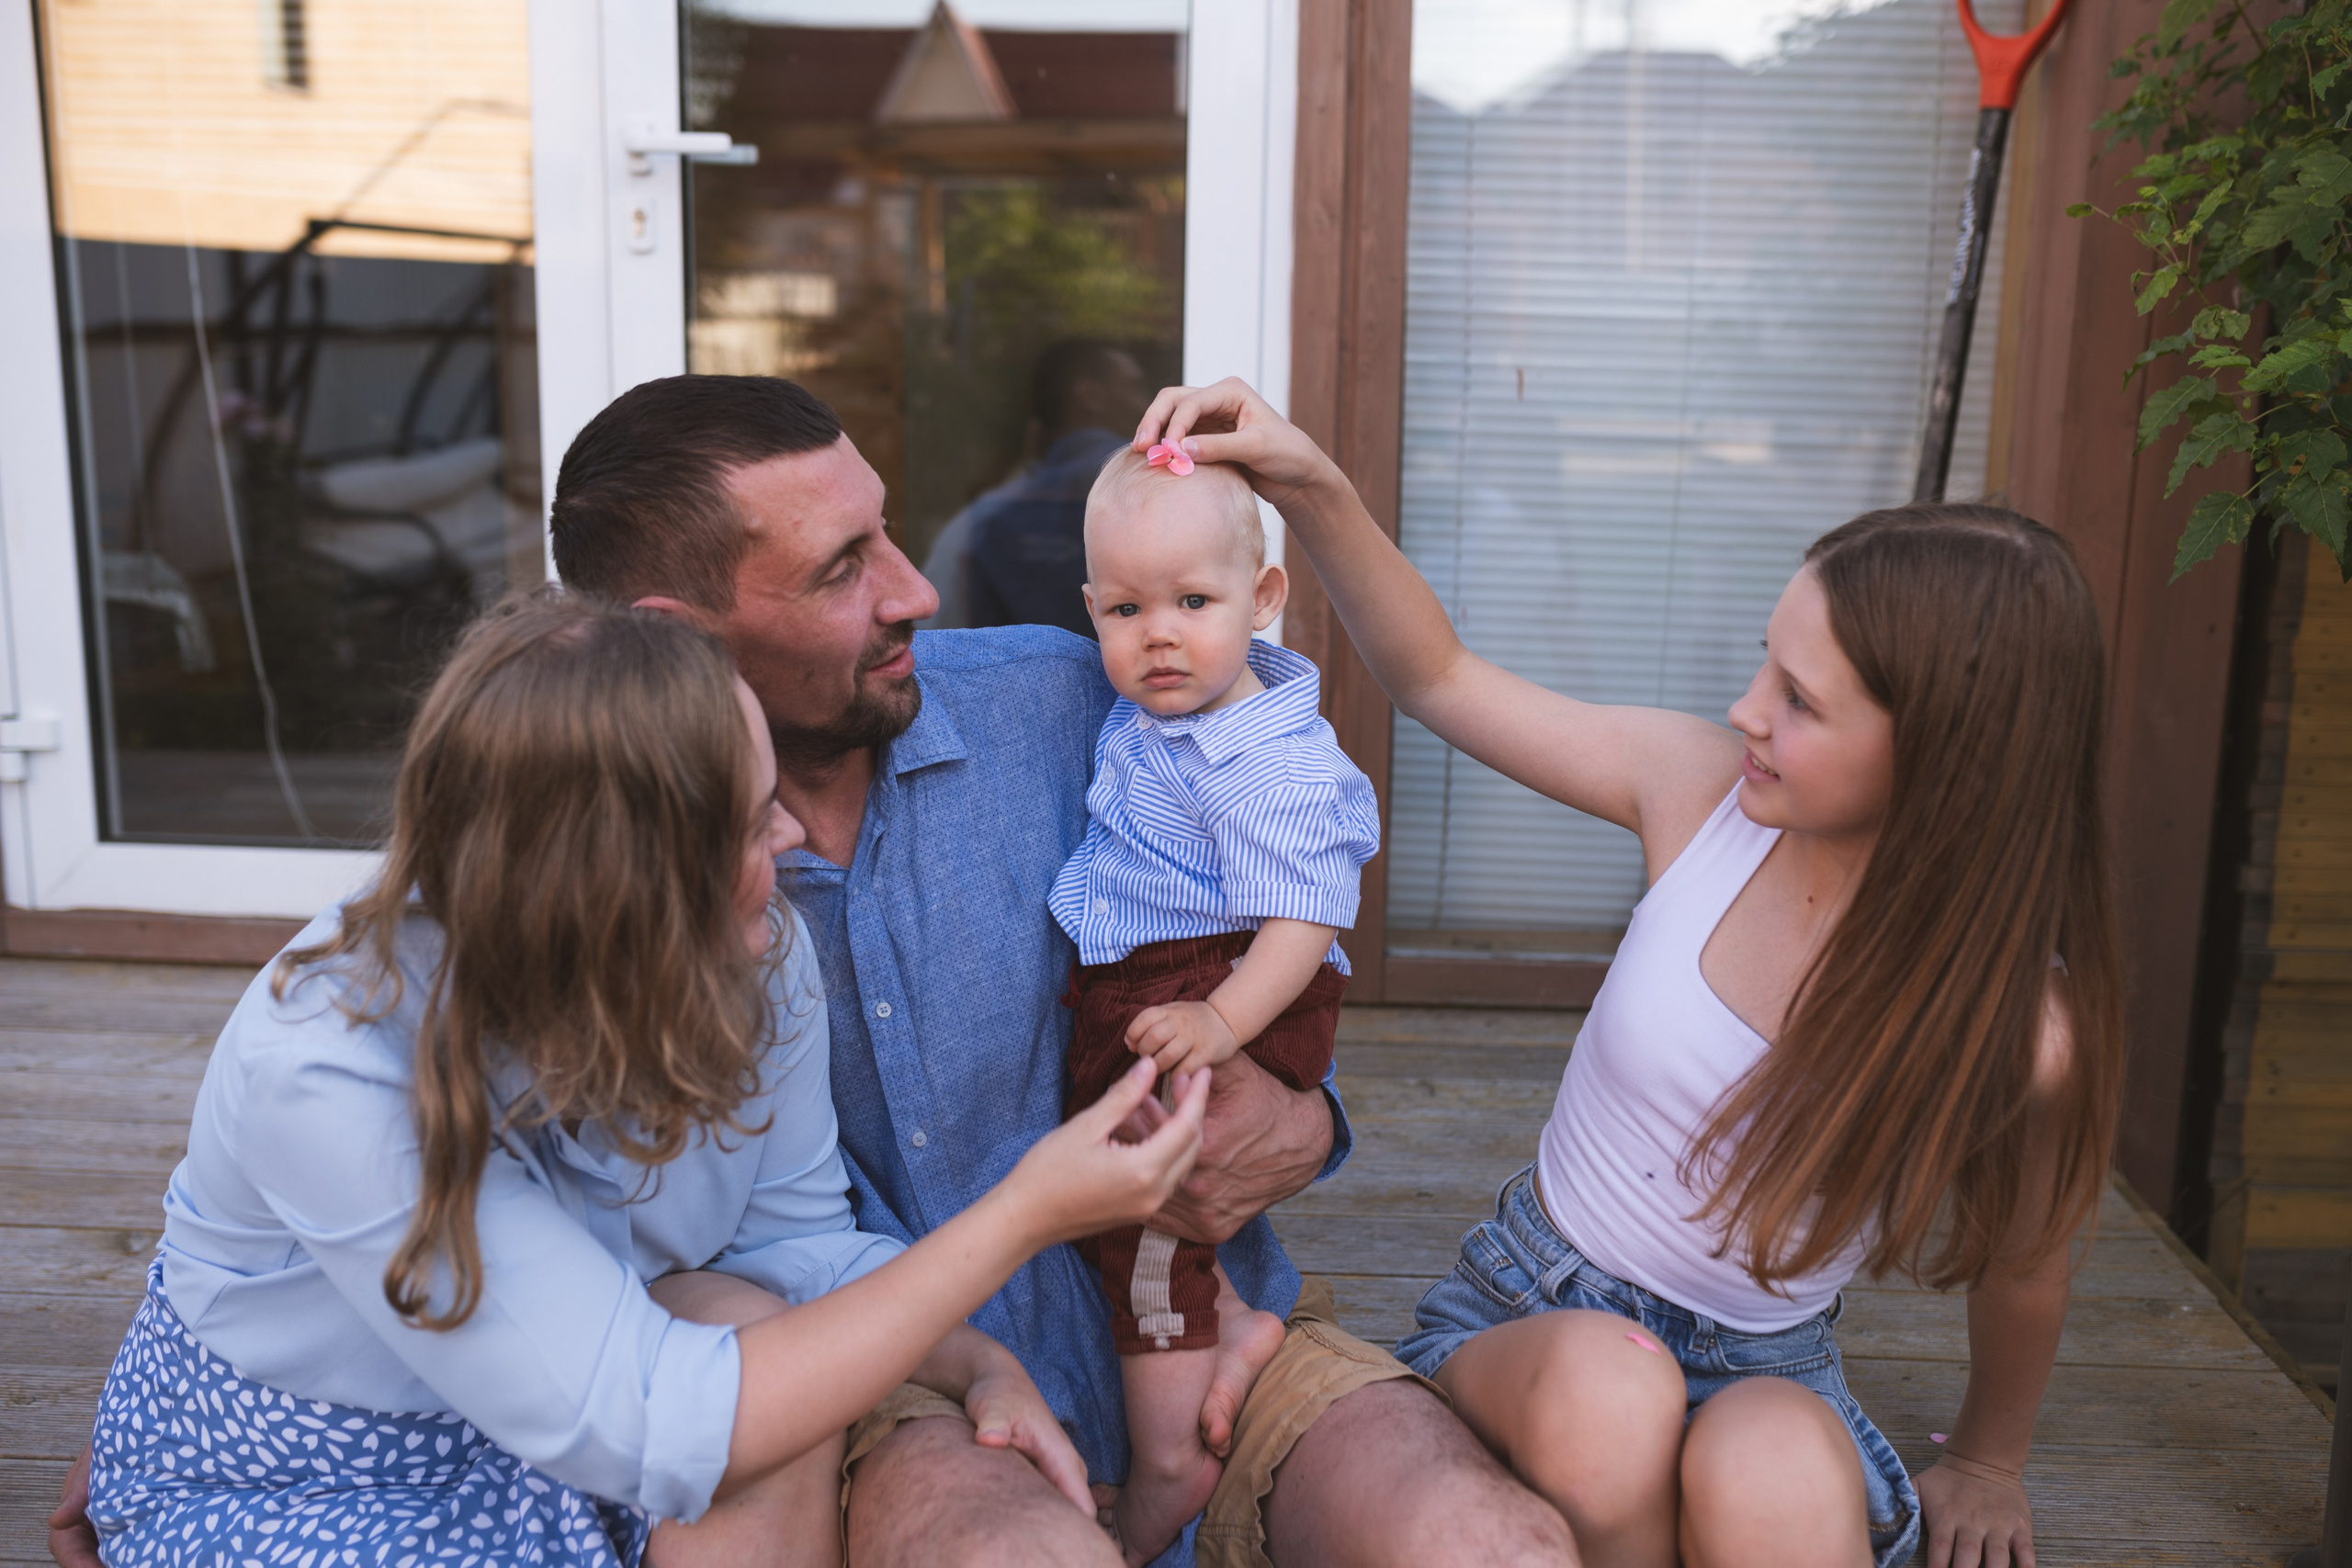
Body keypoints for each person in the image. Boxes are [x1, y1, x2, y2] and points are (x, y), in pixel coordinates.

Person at [541, 374, 1582, 1568]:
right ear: (681, 630)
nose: (918, 586)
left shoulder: (1075, 693)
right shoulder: (614, 874)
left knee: (1490, 1542)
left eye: (888, 527)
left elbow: (1281, 875)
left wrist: (1295, 1111)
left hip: (1215, 1329)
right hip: (905, 1382)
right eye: (845, 566)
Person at [1133, 378, 2126, 1568]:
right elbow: (1439, 676)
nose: (1745, 707)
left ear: (1942, 758)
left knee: (1777, 1483)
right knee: (1616, 1398)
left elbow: (2025, 1258)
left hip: (1773, 1360)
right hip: (1541, 1314)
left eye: (1800, 701)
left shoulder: (2024, 1028)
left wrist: (1991, 1456)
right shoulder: (1702, 792)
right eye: (1768, 661)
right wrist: (1314, 485)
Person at [51, 593, 1207, 1568]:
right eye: (752, 826)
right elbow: (654, 1421)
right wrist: (1024, 1215)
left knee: (747, 1334)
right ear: (623, 888)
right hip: (309, 1470)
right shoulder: (332, 1061)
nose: (798, 837)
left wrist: (973, 1357)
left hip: (588, 1399)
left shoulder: (751, 959)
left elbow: (792, 1241)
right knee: (738, 1394)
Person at [1053, 443, 1381, 1564]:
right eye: (1125, 608)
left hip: (1220, 977)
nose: (1157, 634)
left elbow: (1306, 920)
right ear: (1090, 609)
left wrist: (1222, 1025)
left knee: (1143, 1203)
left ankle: (1166, 1463)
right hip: (1164, 973)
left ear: (1264, 599)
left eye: (1194, 602)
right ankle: (1238, 1327)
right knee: (1120, 1197)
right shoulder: (1171, 711)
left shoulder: (1264, 762)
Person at [921, 339, 1152, 637]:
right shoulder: (1156, 487)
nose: (1145, 403)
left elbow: (938, 629)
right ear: (1090, 396)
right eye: (1135, 387)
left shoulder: (980, 523)